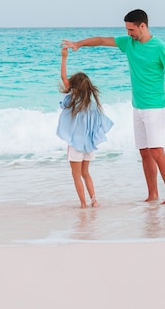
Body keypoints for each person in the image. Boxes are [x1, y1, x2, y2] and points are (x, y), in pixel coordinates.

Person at [61, 9, 165, 204]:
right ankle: (152, 194)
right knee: (144, 153)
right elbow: (101, 40)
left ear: (142, 26)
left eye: (131, 29)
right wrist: (79, 44)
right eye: (127, 29)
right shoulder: (128, 44)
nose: (128, 33)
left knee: (157, 152)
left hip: (155, 107)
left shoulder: (160, 47)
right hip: (138, 107)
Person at [57, 47, 114, 208]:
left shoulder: (71, 101)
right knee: (85, 173)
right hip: (89, 146)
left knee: (76, 175)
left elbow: (63, 78)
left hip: (75, 145)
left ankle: (83, 204)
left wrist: (64, 57)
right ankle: (94, 201)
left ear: (74, 87)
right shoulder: (93, 105)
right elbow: (99, 125)